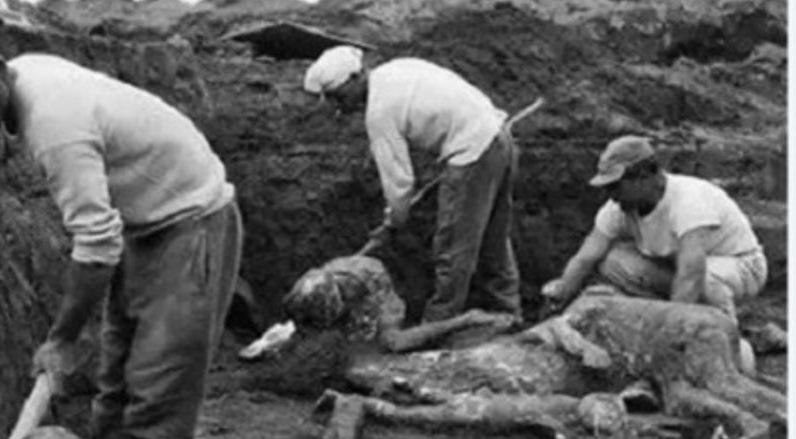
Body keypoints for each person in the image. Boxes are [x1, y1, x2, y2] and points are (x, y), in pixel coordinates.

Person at [0, 19, 242, 439]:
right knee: (115, 390)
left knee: (156, 402)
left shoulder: (54, 125)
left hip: (192, 223)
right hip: (146, 223)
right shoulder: (26, 72)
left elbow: (97, 246)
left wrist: (61, 339)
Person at [304, 47, 522, 324]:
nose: (337, 107)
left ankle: (438, 326)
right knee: (494, 239)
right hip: (497, 136)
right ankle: (508, 313)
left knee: (453, 248)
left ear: (356, 78)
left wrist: (394, 222)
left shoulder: (379, 111)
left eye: (338, 96)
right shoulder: (395, 69)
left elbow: (399, 182)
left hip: (472, 152)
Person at [542, 135, 768, 328]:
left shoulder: (688, 201)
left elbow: (691, 270)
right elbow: (586, 257)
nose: (610, 194)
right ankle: (668, 313)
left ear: (644, 176)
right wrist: (561, 292)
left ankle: (725, 329)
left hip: (741, 266)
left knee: (703, 278)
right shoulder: (618, 207)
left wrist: (670, 330)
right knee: (612, 262)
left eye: (615, 186)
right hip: (679, 266)